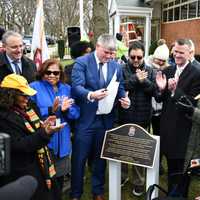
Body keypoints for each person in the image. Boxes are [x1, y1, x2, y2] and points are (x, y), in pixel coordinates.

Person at [70, 34, 130, 200]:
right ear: (97, 47)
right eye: (107, 52)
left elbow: (120, 86)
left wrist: (124, 99)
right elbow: (76, 87)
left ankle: (97, 191)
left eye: (113, 53)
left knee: (100, 158)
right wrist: (91, 95)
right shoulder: (81, 63)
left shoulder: (116, 67)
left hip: (106, 120)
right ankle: (76, 193)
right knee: (79, 159)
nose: (111, 57)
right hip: (86, 120)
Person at [0, 74, 66, 200]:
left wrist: (44, 124)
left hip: (43, 164)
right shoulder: (3, 117)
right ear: (9, 95)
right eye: (23, 95)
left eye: (28, 95)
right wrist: (45, 133)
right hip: (22, 172)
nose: (27, 98)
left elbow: (35, 126)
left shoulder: (28, 106)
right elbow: (19, 145)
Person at [156, 38, 200, 197]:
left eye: (181, 52)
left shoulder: (197, 74)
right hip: (167, 130)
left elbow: (191, 106)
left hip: (184, 134)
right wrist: (161, 90)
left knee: (181, 172)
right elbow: (160, 99)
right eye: (175, 51)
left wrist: (175, 92)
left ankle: (179, 196)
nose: (177, 55)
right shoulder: (168, 70)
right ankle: (171, 195)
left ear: (190, 53)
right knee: (171, 170)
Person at [30, 58, 80, 193]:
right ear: (42, 72)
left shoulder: (67, 88)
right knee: (45, 179)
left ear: (60, 74)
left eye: (56, 73)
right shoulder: (34, 87)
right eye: (48, 72)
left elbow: (75, 114)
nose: (52, 75)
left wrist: (66, 110)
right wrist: (52, 110)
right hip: (45, 141)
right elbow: (31, 113)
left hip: (63, 141)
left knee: (59, 180)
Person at [117, 40, 157, 196]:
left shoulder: (151, 71)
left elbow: (155, 92)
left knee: (139, 152)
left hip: (142, 116)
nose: (135, 60)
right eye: (132, 57)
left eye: (139, 57)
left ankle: (139, 181)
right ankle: (122, 176)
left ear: (143, 57)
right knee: (121, 149)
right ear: (128, 55)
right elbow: (120, 86)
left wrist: (144, 81)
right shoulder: (121, 69)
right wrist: (135, 79)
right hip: (123, 116)